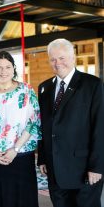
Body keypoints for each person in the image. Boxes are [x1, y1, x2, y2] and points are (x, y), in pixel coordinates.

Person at [38, 38, 104, 207]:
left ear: (72, 57)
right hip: (55, 169)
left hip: (83, 169)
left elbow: (100, 127)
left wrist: (97, 167)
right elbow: (43, 125)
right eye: (53, 59)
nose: (57, 63)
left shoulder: (92, 84)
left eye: (61, 58)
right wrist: (43, 158)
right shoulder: (44, 88)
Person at [0, 50, 41, 207]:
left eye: (8, 67)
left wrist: (15, 149)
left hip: (21, 154)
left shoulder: (26, 90)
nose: (3, 71)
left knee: (23, 199)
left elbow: (34, 122)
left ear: (13, 69)